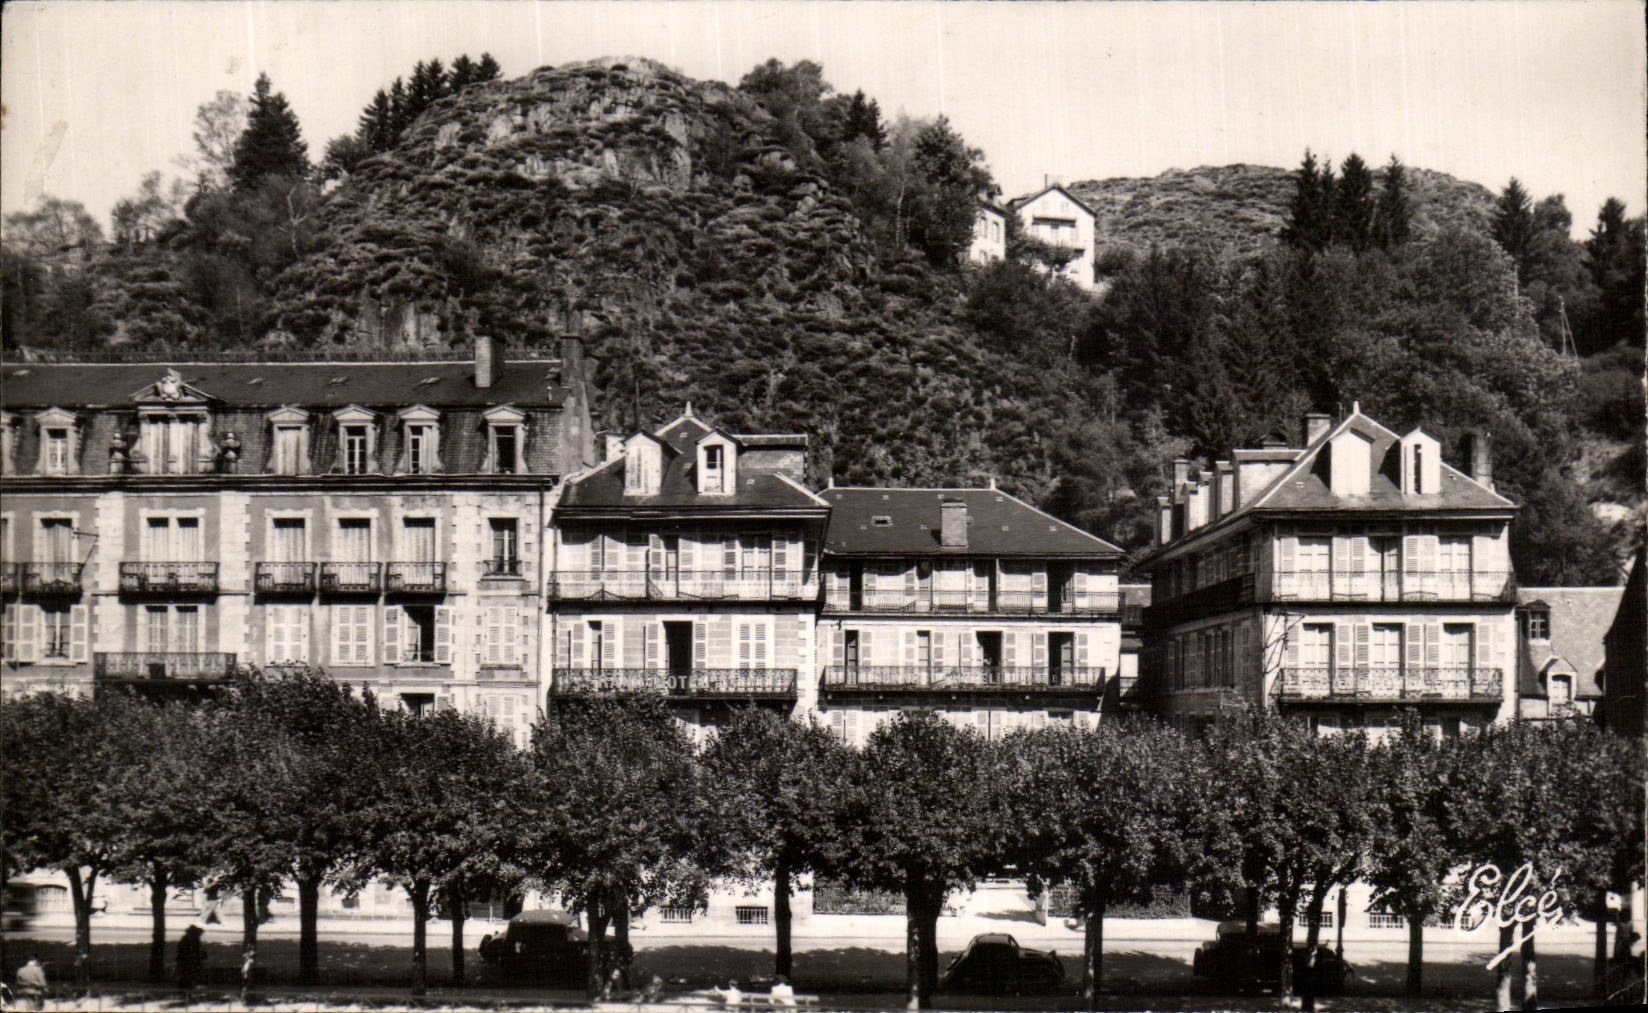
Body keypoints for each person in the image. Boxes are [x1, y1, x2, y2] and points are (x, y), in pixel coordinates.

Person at [177, 923, 206, 990]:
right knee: (189, 972)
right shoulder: (189, 940)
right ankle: (187, 985)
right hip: (188, 960)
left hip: (189, 960)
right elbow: (192, 951)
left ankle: (188, 984)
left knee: (189, 972)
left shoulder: (190, 939)